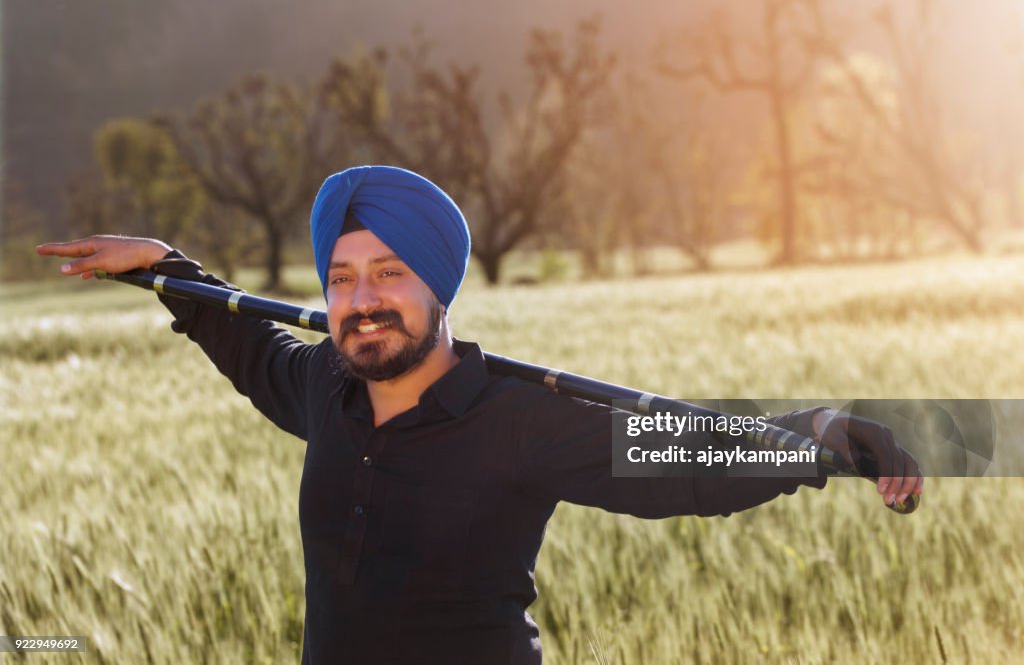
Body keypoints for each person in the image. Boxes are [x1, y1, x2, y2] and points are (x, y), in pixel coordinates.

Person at [38, 165, 923, 664]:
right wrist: (166, 267)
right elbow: (247, 342)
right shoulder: (325, 389)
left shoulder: (516, 420)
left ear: (439, 285)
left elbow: (678, 464)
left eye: (389, 273)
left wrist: (819, 435)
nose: (360, 300)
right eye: (341, 279)